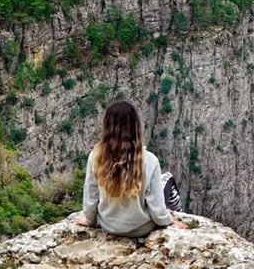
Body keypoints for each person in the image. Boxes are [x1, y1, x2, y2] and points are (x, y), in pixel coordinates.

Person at [76, 100, 187, 236]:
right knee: (168, 179)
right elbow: (157, 210)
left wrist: (89, 220)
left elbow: (91, 196)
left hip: (108, 226)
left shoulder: (96, 157)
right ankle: (179, 211)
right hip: (141, 228)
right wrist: (169, 221)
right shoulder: (150, 160)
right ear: (136, 127)